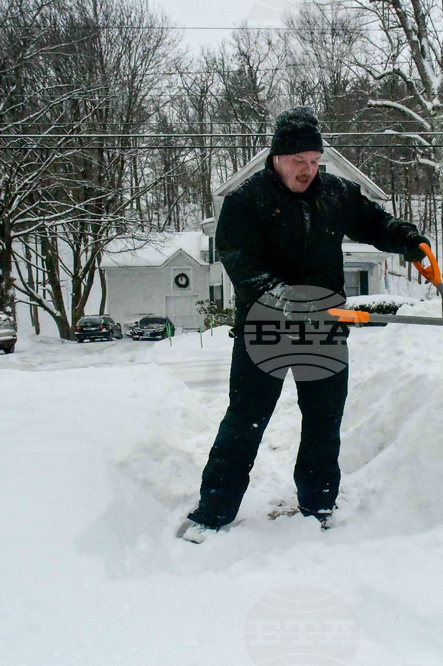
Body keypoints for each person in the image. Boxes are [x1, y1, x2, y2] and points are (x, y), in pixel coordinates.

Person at [178, 106, 429, 543]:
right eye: (299, 161)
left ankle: (318, 502)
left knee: (323, 419)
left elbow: (374, 221)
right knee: (245, 420)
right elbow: (241, 264)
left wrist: (409, 239)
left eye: (314, 161)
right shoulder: (245, 202)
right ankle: (214, 511)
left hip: (324, 327)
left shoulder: (334, 192)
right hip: (265, 326)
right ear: (276, 157)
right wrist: (287, 301)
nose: (307, 170)